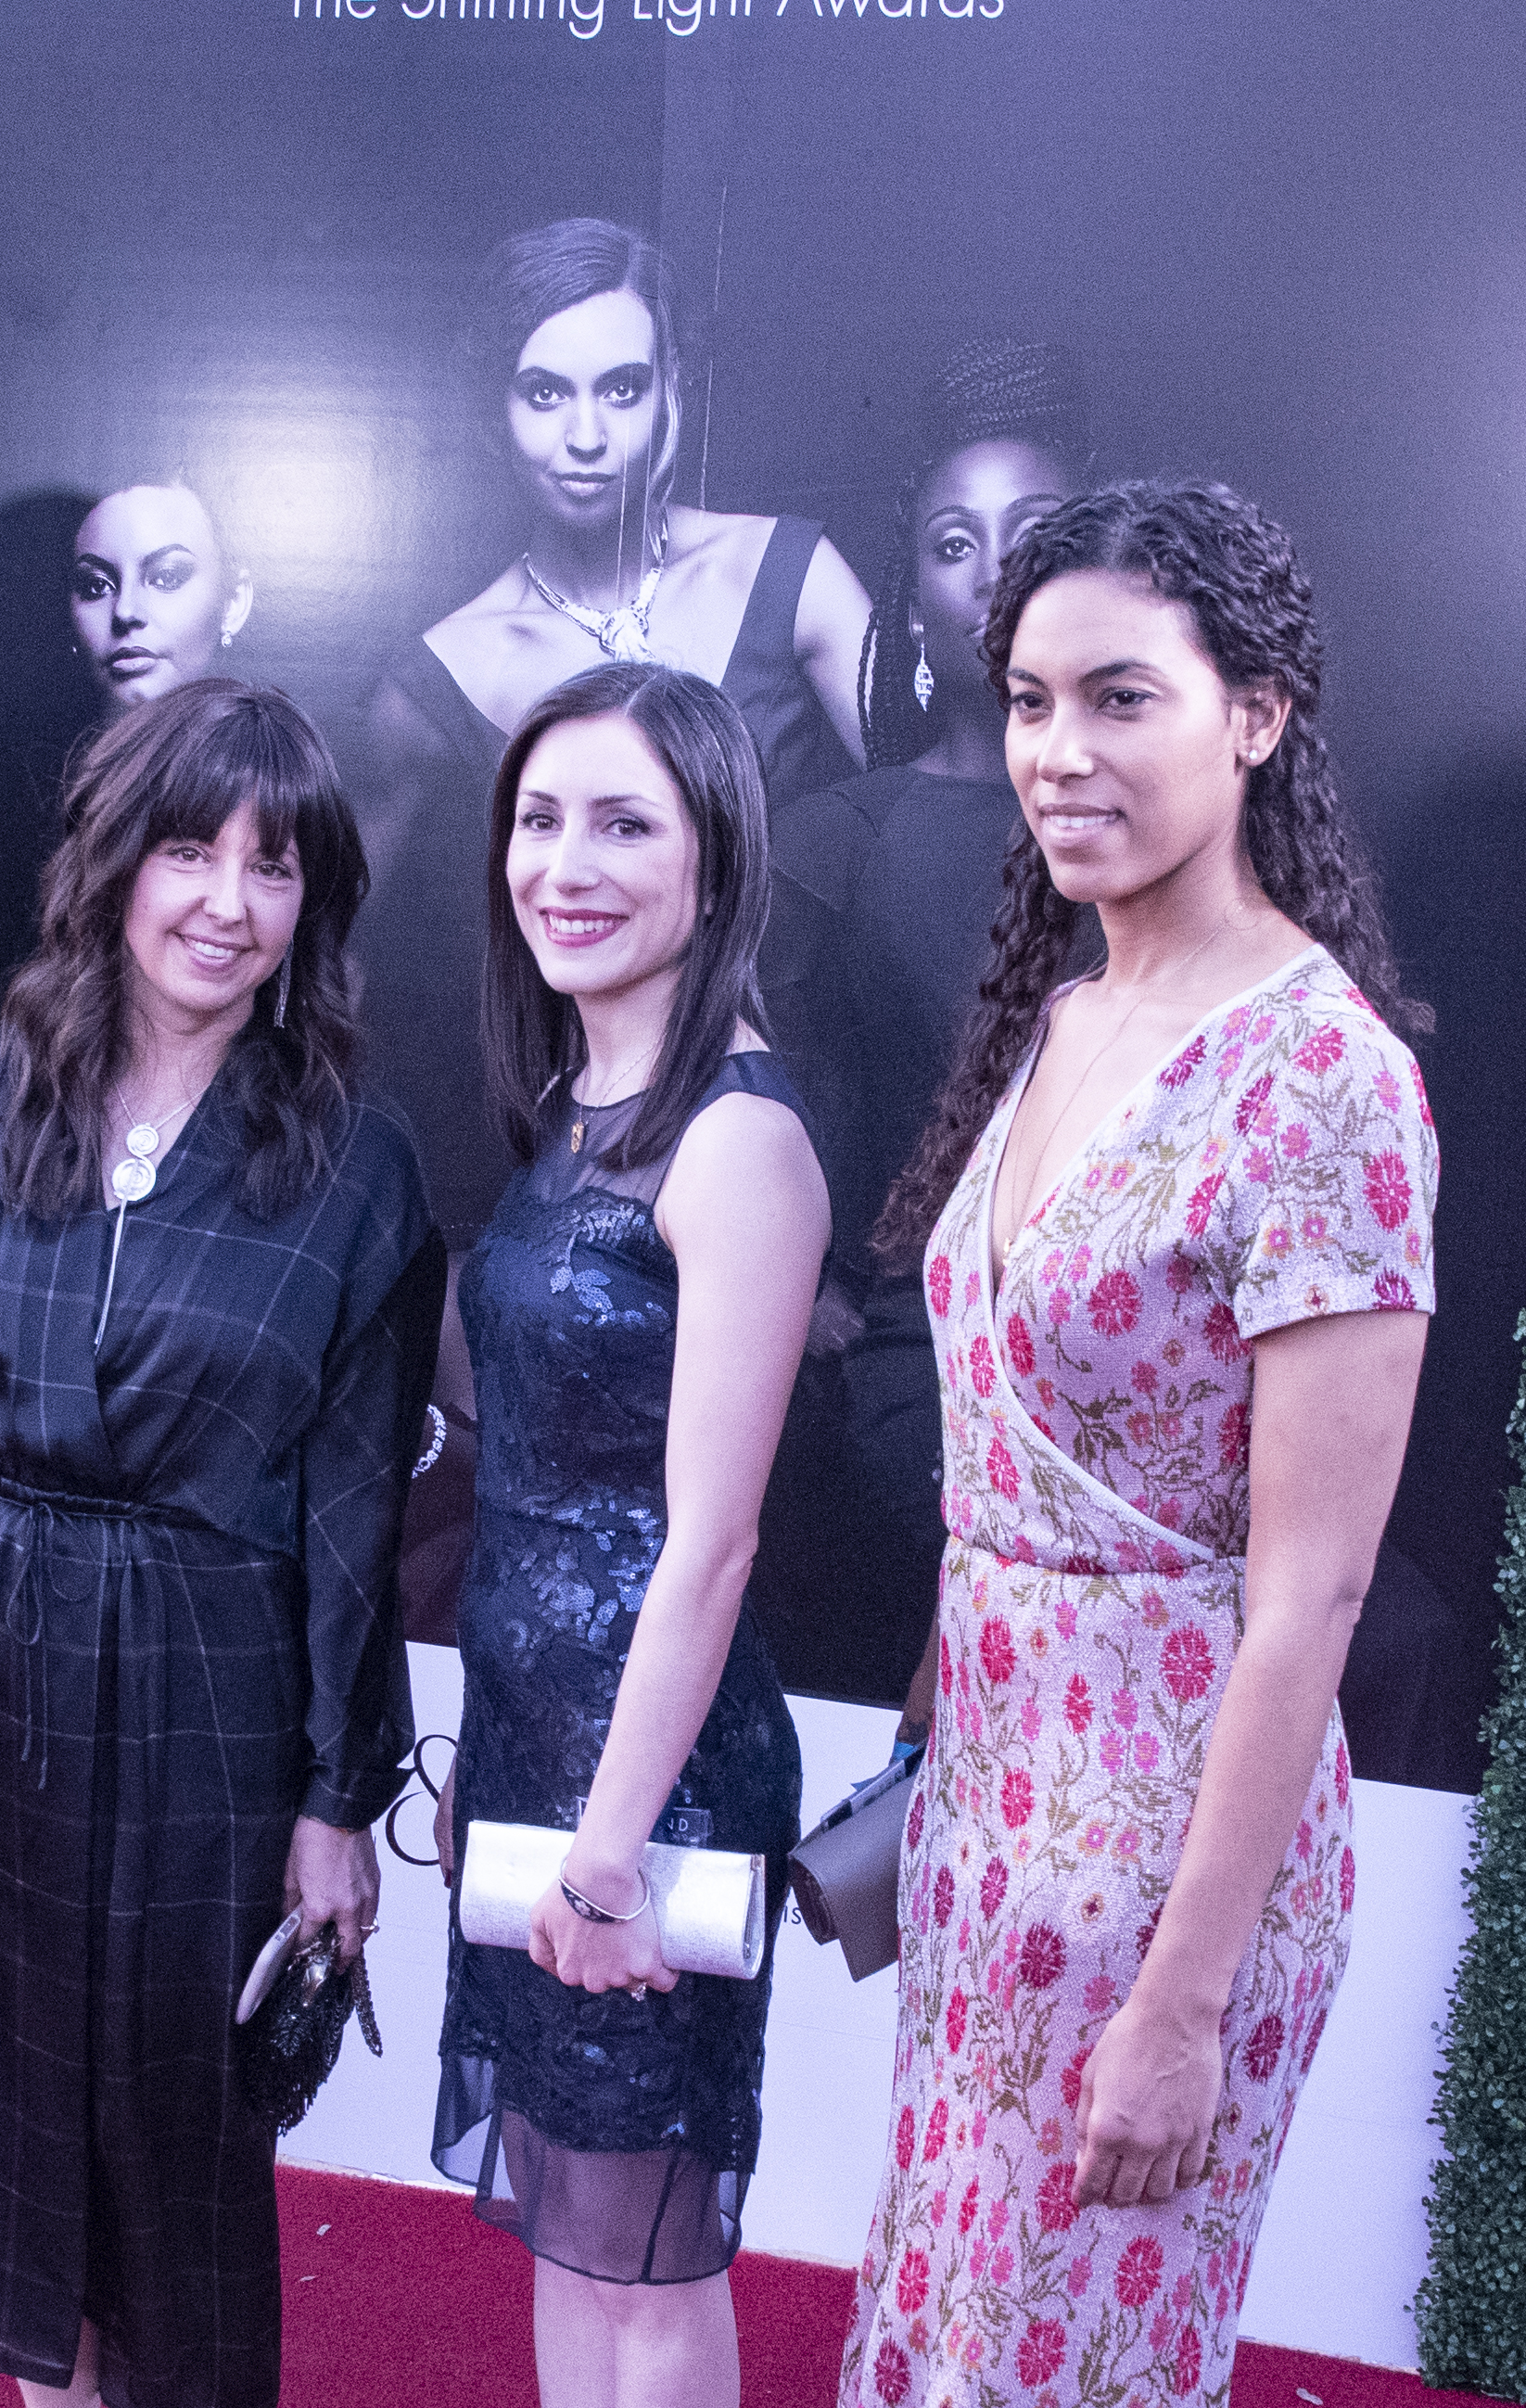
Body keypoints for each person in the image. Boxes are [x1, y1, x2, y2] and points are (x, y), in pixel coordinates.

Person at [840, 483, 1437, 2408]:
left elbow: (1311, 1589)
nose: (1054, 750)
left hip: (1165, 1874)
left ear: (1253, 713)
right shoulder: (1065, 1007)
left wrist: (1179, 1999)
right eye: (1023, 698)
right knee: (932, 2345)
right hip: (985, 1822)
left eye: (1116, 696)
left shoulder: (1322, 1072)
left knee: (1057, 2373)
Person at [0, 677, 445, 2408]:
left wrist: (332, 1803)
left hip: (201, 1713)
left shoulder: (358, 1171)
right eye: (187, 847)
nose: (228, 900)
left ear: (316, 906)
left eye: (275, 865)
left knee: (171, 2158)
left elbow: (352, 1512)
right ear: (110, 865)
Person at [428, 662, 831, 2407]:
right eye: (537, 818)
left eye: (621, 822)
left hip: (641, 1787)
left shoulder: (735, 1139)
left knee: (645, 2266)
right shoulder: (576, 1117)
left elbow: (711, 1546)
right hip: (534, 1752)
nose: (564, 864)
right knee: (569, 2231)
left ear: (712, 859)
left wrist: (603, 1845)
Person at [357, 216, 871, 1256]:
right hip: (553, 1179)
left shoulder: (792, 579)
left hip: (803, 1157)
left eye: (622, 388)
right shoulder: (435, 676)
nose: (584, 436)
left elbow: (927, 857)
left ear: (675, 388)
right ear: (494, 411)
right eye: (544, 392)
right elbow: (333, 963)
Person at [753, 342, 1087, 1701]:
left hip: (1119, 1361)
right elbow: (748, 1095)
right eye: (956, 543)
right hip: (908, 1377)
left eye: (1035, 538)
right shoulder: (839, 837)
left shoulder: (1150, 834)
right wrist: (812, 1286)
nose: (996, 572)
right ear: (913, 587)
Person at [70, 478, 254, 707]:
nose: (125, 612)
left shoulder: (275, 740)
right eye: (97, 586)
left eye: (166, 577)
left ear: (233, 603)